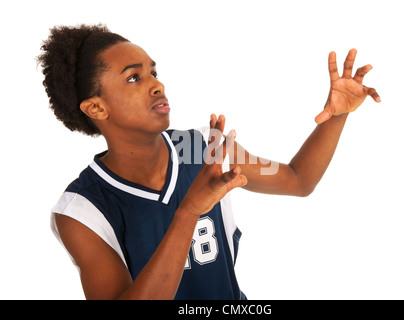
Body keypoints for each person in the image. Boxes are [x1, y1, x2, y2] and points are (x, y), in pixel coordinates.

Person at [38, 24, 380, 300]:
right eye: (134, 77)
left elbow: (297, 180)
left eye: (154, 72)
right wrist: (189, 210)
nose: (157, 84)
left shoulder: (200, 147)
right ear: (97, 108)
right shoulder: (82, 209)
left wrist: (337, 116)